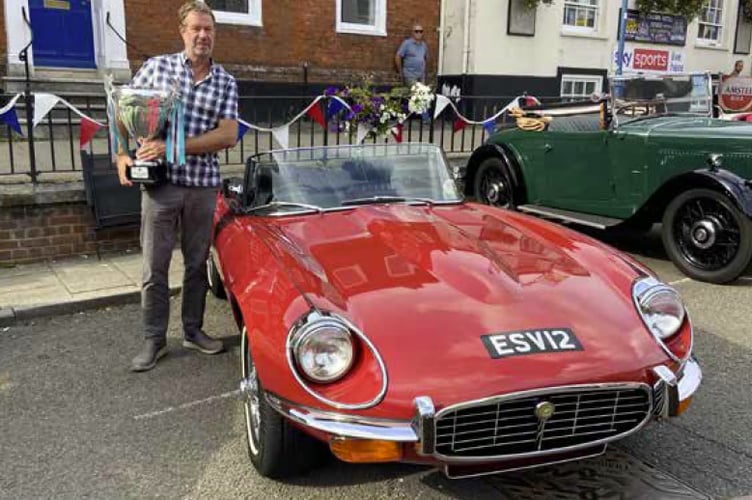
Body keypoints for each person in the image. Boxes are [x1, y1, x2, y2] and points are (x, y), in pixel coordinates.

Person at [116, 1, 239, 372]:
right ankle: (155, 340)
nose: (203, 35)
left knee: (197, 263)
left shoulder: (225, 82)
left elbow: (228, 134)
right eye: (196, 28)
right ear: (183, 31)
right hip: (161, 185)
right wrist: (121, 155)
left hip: (202, 187)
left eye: (209, 30)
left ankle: (193, 330)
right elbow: (123, 110)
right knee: (154, 267)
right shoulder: (157, 68)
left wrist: (175, 146)